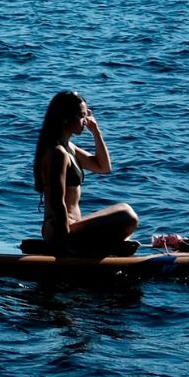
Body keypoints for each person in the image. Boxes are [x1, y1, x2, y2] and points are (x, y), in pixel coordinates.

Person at [33, 91, 138, 255]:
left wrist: (96, 131)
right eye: (82, 116)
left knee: (125, 211)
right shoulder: (57, 153)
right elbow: (56, 201)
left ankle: (106, 246)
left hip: (74, 226)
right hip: (60, 230)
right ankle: (100, 247)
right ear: (66, 117)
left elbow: (104, 167)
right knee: (127, 215)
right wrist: (65, 244)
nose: (85, 121)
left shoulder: (70, 148)